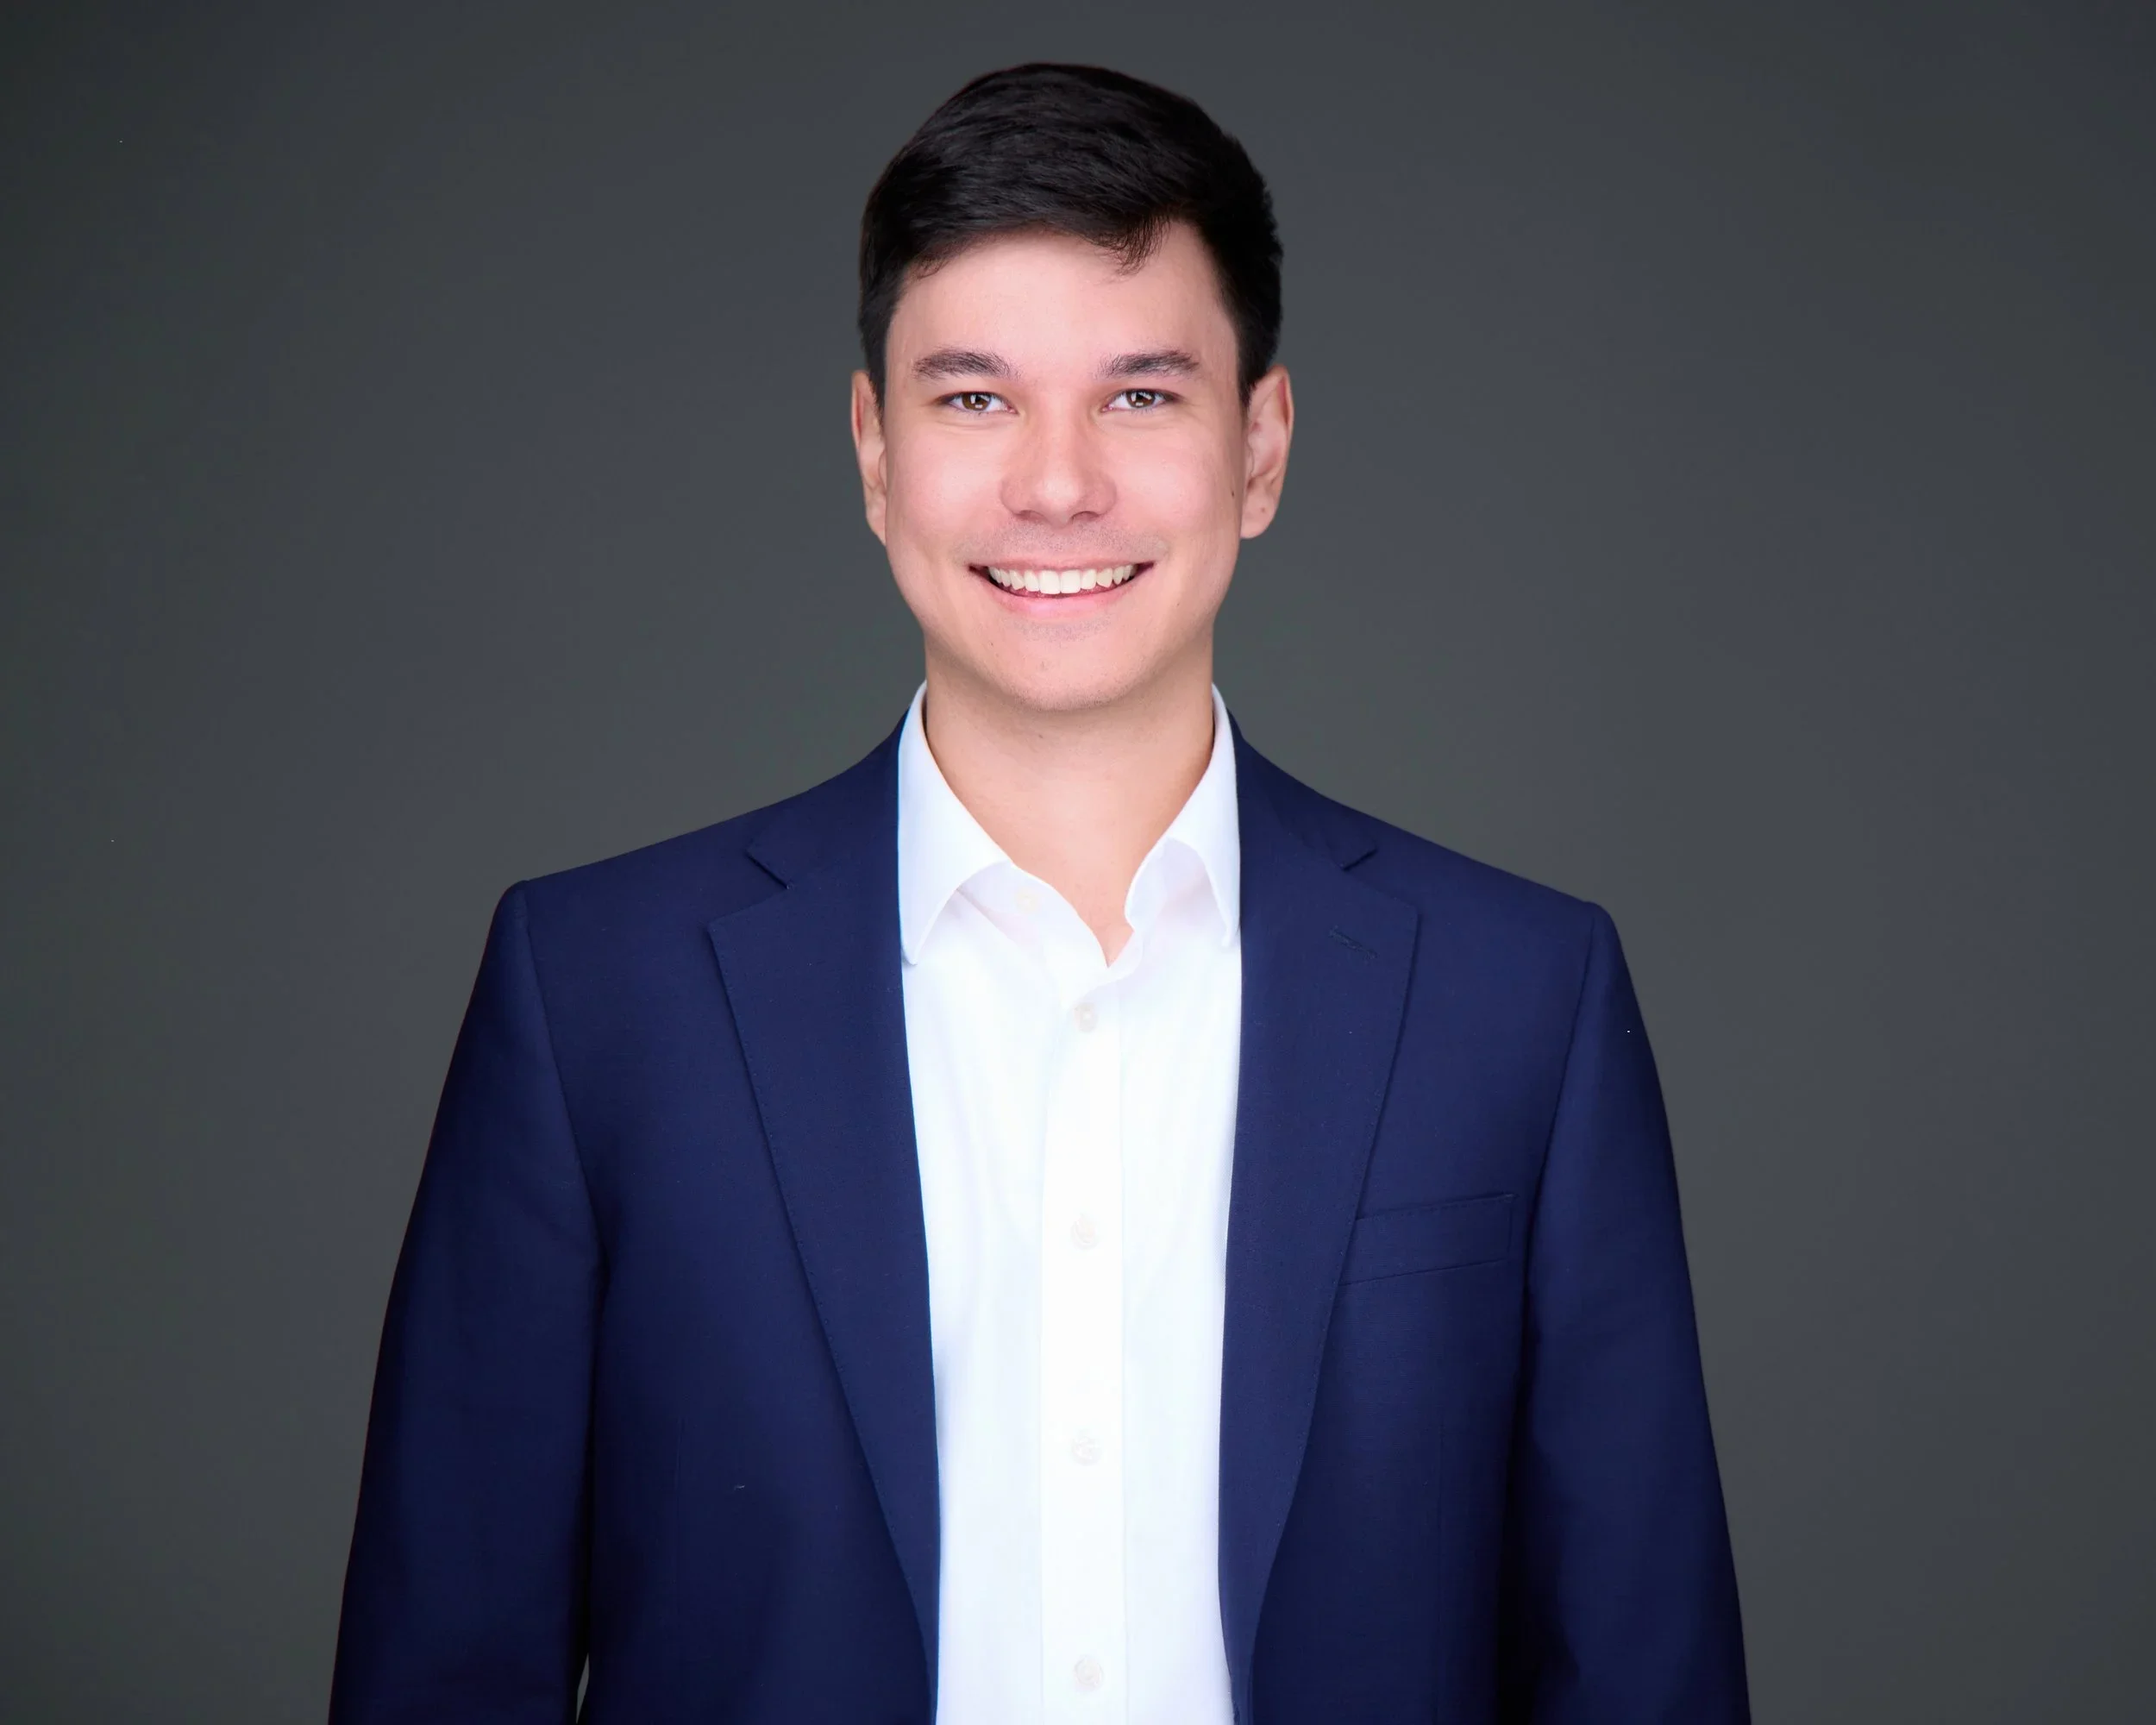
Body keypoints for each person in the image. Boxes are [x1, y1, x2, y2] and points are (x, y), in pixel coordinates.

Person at [329, 61, 1749, 1725]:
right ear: (875, 453)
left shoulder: (1520, 1000)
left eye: (1139, 395)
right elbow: (447, 1672)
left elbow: (1641, 1676)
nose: (1058, 485)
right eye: (974, 399)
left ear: (1261, 447)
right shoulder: (597, 997)